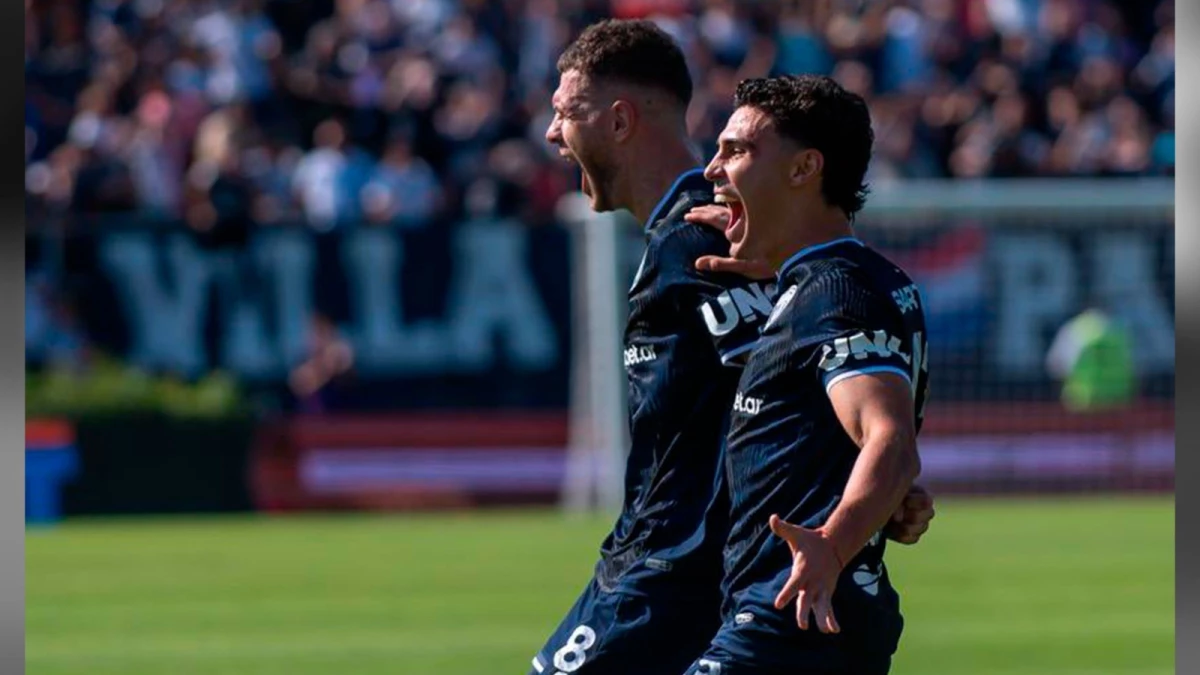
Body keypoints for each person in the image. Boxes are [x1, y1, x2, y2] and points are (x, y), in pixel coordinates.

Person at [530, 21, 934, 675]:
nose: (552, 135)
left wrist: (860, 503)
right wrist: (873, 490)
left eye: (564, 113)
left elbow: (865, 414)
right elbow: (808, 397)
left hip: (690, 582)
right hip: (740, 585)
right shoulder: (766, 253)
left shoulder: (703, 248)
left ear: (620, 119)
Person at [682, 75, 929, 675]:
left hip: (793, 618)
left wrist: (832, 544)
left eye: (737, 150)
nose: (713, 169)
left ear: (804, 169)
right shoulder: (858, 278)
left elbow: (891, 444)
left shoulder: (834, 294)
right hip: (816, 614)